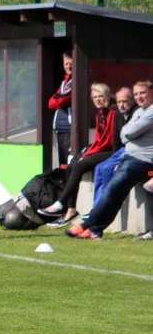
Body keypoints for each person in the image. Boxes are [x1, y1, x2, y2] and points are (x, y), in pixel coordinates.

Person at [65, 81, 153, 239]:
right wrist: (129, 133)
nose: (139, 97)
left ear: (151, 93)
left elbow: (130, 131)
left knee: (112, 189)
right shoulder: (140, 111)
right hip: (130, 157)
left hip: (141, 160)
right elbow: (123, 133)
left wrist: (129, 133)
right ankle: (95, 230)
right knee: (116, 193)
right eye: (137, 94)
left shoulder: (151, 112)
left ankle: (86, 224)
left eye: (143, 93)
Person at [39, 83, 116, 228]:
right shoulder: (100, 113)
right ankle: (71, 209)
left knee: (80, 164)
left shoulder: (112, 111)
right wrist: (87, 152)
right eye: (95, 97)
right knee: (73, 164)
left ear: (106, 96)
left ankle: (60, 202)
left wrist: (88, 154)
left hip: (112, 151)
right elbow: (99, 140)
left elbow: (108, 141)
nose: (98, 100)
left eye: (100, 96)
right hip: (102, 148)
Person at [85, 87, 138, 220]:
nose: (121, 104)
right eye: (119, 101)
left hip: (135, 150)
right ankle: (96, 208)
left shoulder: (137, 113)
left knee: (108, 169)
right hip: (121, 150)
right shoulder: (118, 114)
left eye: (125, 101)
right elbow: (115, 138)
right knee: (99, 168)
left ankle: (104, 209)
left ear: (132, 101)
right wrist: (114, 157)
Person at [49, 51, 73, 167]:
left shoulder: (77, 81)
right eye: (66, 64)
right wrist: (59, 99)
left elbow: (62, 101)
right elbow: (50, 103)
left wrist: (59, 98)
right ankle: (63, 183)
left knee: (69, 162)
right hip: (59, 128)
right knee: (62, 163)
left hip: (69, 129)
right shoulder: (64, 82)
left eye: (71, 63)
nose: (69, 67)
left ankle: (68, 184)